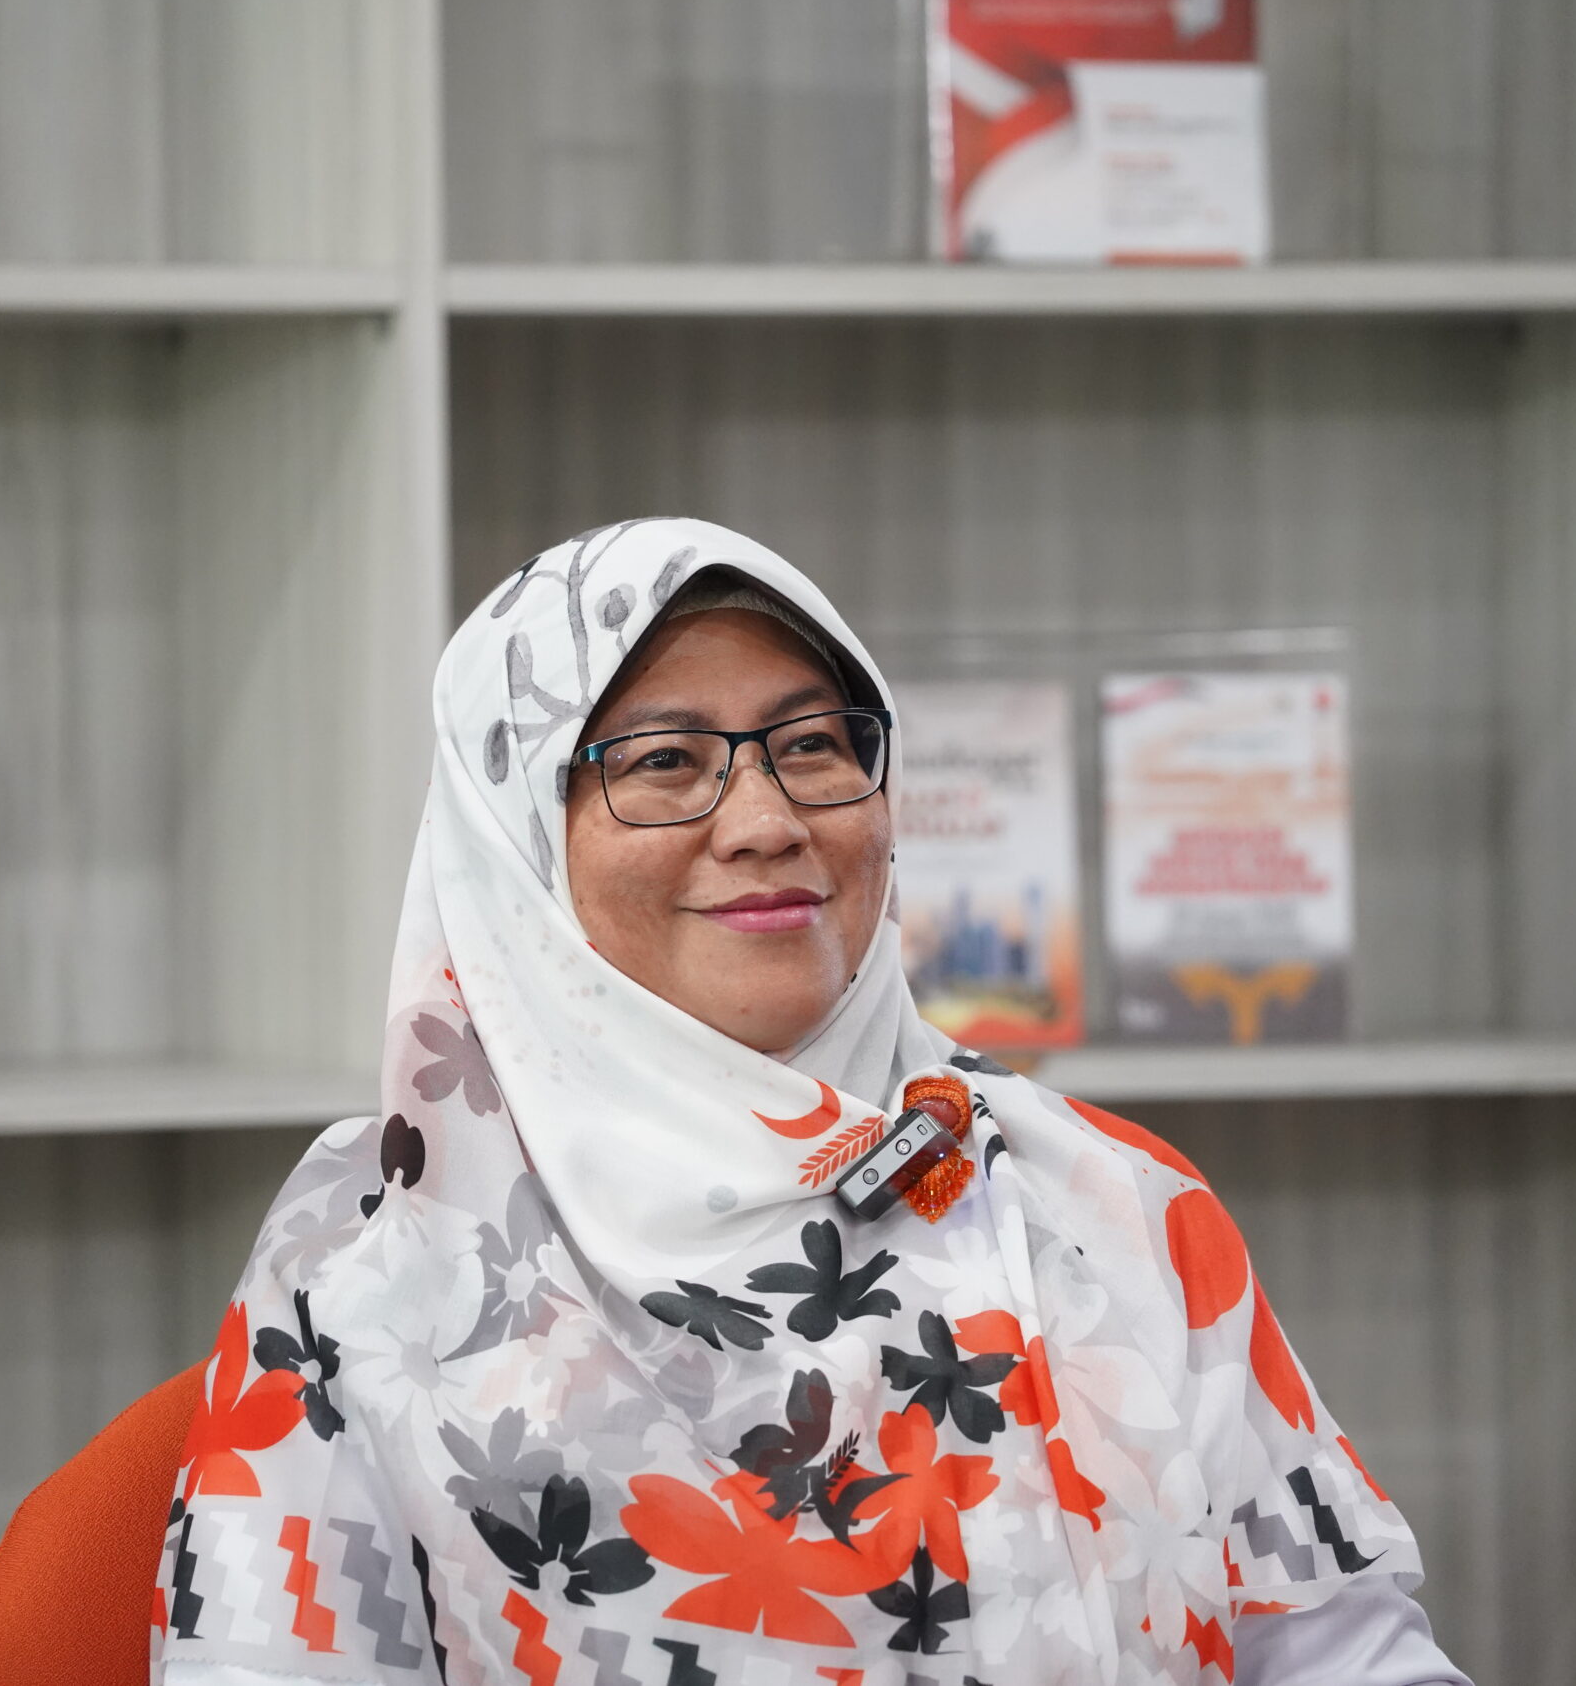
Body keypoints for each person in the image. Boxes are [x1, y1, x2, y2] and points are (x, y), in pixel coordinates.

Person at [152, 520, 1468, 1685]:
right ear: (517, 844)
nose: (766, 819)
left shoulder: (1113, 1201)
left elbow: (1342, 1653)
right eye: (666, 762)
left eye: (813, 745)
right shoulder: (379, 1258)